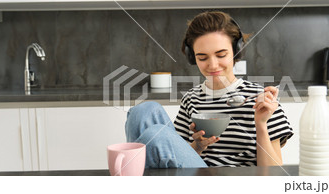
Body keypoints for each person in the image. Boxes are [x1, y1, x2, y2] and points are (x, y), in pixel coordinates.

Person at [125, 11, 293, 168]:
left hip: (239, 182)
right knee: (143, 110)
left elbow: (274, 174)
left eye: (221, 55)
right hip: (198, 175)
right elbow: (175, 154)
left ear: (236, 51)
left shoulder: (262, 99)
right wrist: (196, 147)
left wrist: (261, 124)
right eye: (202, 57)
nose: (212, 65)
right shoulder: (191, 98)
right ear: (193, 58)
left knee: (156, 135)